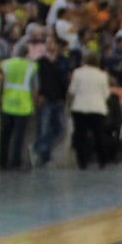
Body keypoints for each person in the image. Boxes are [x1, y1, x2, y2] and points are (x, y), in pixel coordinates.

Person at [0, 39, 37, 171]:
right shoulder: (32, 66)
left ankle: (2, 161)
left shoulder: (5, 64)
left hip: (7, 103)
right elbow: (35, 88)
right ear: (27, 53)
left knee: (5, 135)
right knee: (18, 137)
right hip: (23, 105)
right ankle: (16, 162)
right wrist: (35, 103)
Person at [68, 56, 112, 169]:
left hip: (79, 107)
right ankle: (102, 160)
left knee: (81, 135)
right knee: (99, 135)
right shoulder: (102, 75)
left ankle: (82, 162)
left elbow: (72, 90)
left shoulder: (77, 73)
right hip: (97, 108)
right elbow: (106, 94)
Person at [31, 35, 68, 167]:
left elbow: (65, 80)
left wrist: (64, 97)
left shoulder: (63, 61)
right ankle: (44, 157)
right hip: (45, 98)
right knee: (44, 128)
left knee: (60, 129)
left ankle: (38, 147)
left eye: (51, 42)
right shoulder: (40, 62)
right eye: (47, 42)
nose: (49, 45)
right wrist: (38, 94)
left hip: (58, 99)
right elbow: (37, 80)